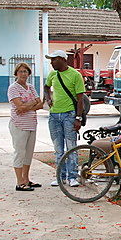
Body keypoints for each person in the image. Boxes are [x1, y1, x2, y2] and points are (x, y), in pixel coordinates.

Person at [44, 50, 86, 187]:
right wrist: (48, 98)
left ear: (62, 59)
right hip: (54, 115)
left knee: (71, 147)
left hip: (69, 115)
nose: (51, 63)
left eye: (53, 60)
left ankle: (72, 176)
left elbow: (80, 100)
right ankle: (60, 176)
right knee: (58, 148)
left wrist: (78, 118)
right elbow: (46, 87)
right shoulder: (52, 74)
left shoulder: (75, 75)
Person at [7, 63, 43, 191]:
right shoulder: (13, 88)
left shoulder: (31, 87)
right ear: (16, 73)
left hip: (31, 124)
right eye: (21, 71)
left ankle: (26, 179)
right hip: (19, 125)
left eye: (25, 71)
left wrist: (27, 105)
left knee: (28, 153)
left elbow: (40, 104)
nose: (23, 74)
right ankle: (19, 181)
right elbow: (19, 107)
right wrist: (31, 103)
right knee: (20, 152)